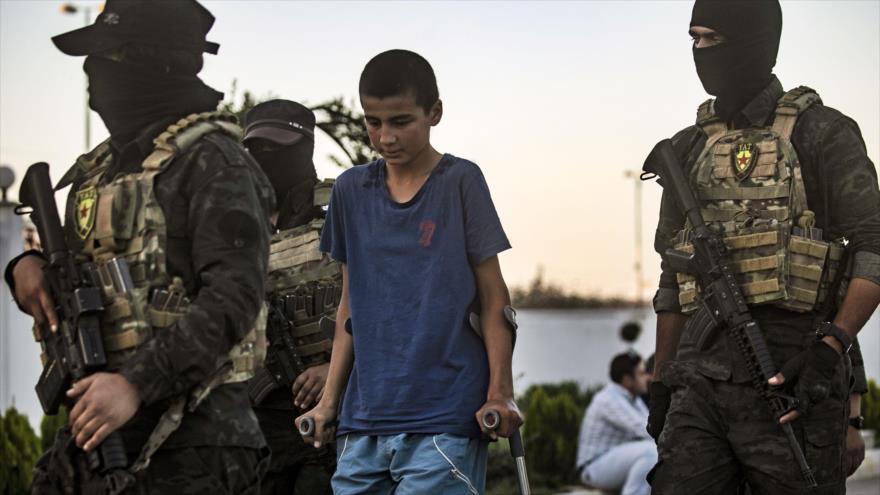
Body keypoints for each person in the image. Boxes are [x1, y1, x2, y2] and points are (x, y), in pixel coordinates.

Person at [4, 0, 274, 492]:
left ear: (156, 65)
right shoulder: (106, 167)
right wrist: (27, 267)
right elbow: (91, 275)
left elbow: (234, 297)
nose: (93, 74)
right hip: (100, 429)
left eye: (110, 59)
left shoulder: (214, 162)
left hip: (195, 444)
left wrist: (135, 384)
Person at [645, 1, 880, 494]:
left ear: (754, 39)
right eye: (695, 40)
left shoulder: (824, 133)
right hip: (699, 383)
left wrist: (831, 347)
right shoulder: (688, 147)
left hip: (793, 379)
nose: (701, 52)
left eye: (714, 39)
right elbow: (672, 278)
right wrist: (662, 380)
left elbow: (872, 249)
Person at [296, 49, 523, 495]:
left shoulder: (461, 182)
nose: (385, 138)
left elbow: (495, 299)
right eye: (373, 123)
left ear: (434, 112)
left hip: (445, 415)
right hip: (363, 421)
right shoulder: (349, 191)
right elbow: (350, 306)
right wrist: (328, 402)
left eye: (401, 122)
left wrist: (501, 392)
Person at [243, 99, 337, 495]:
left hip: (338, 406)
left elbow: (385, 301)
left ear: (305, 147)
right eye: (257, 150)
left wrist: (334, 370)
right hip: (263, 418)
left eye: (278, 149)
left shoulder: (339, 205)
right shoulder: (239, 220)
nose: (266, 159)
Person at [576, 352, 655, 495]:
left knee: (653, 452)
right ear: (627, 380)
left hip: (613, 463)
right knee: (651, 453)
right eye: (642, 373)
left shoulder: (633, 399)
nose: (648, 378)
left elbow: (651, 429)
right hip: (594, 466)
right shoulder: (608, 399)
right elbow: (646, 430)